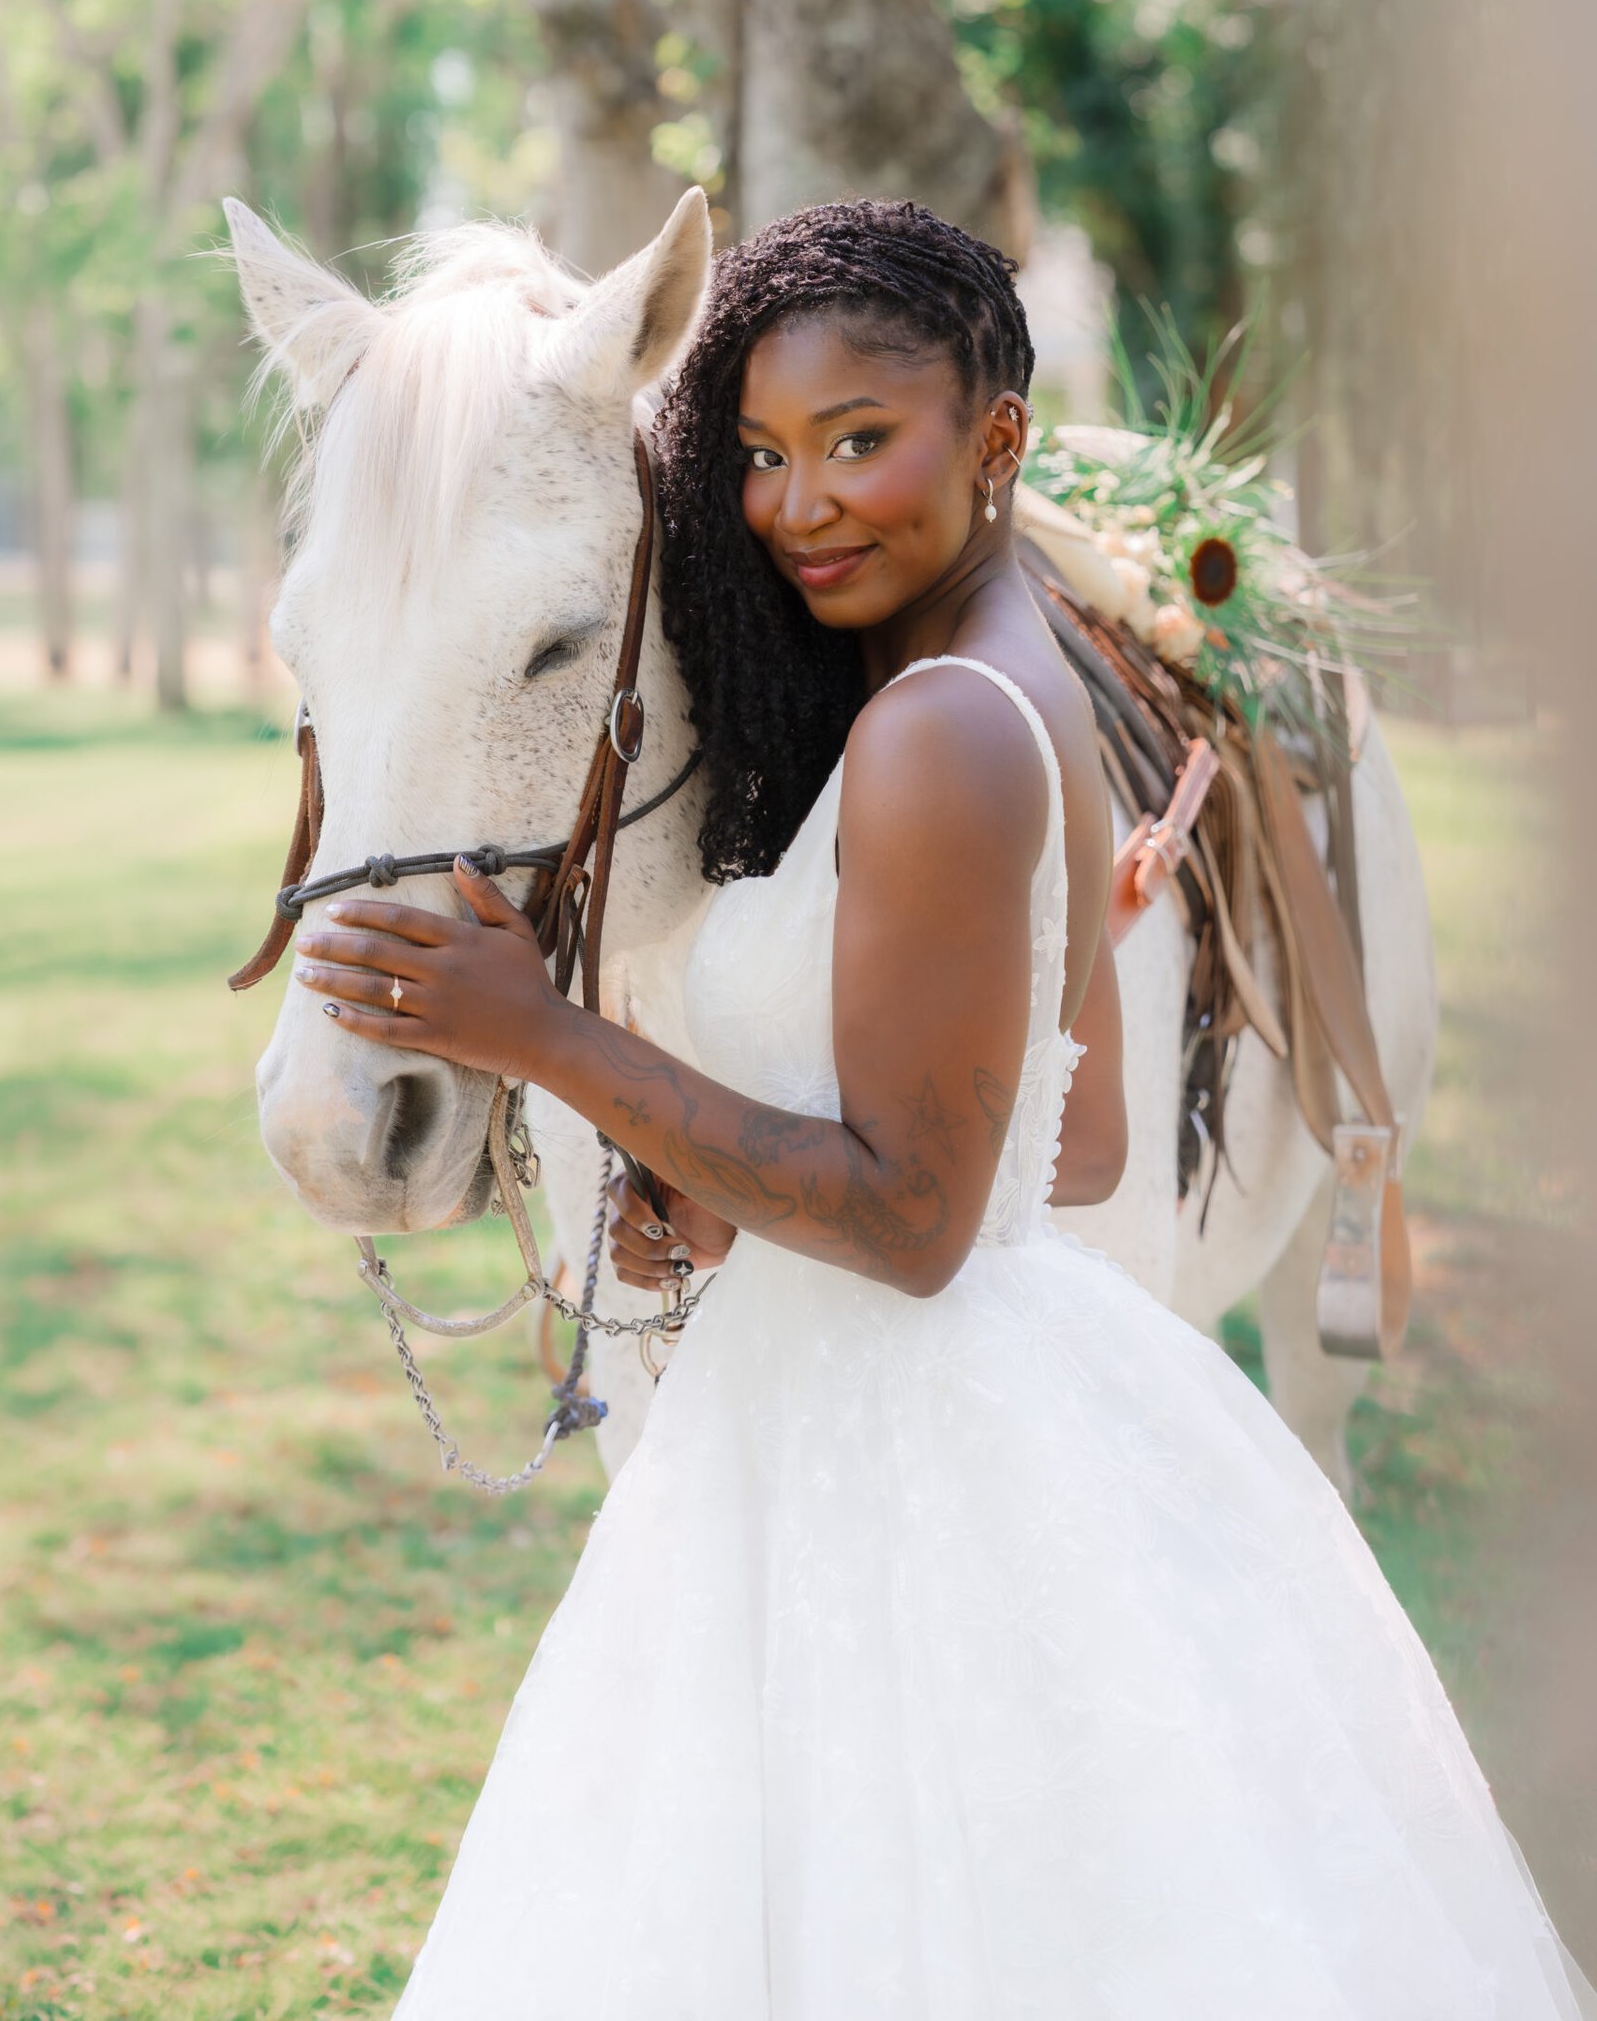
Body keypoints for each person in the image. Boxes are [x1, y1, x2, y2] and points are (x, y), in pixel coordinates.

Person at [295, 202, 1593, 2018]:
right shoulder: (968, 685)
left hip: (895, 1432)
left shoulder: (938, 734)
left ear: (996, 439)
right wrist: (736, 1167)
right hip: (883, 1409)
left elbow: (913, 1223)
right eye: (760, 455)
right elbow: (1076, 1146)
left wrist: (546, 1039)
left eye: (858, 442)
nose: (798, 506)